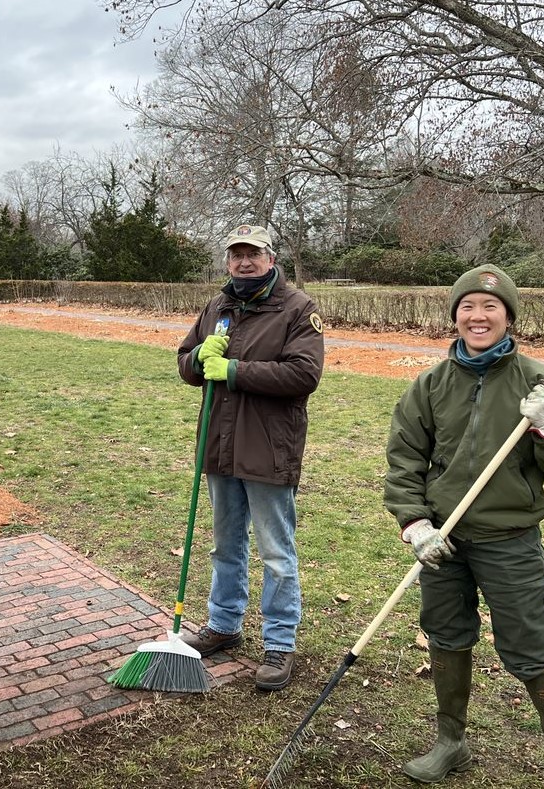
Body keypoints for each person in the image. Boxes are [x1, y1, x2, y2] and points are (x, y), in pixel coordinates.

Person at [384, 264, 544, 787]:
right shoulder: (431, 384)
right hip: (443, 540)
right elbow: (404, 460)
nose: (478, 317)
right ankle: (451, 742)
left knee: (532, 649)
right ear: (455, 316)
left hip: (510, 541)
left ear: (508, 317)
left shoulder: (539, 382)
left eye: (490, 308)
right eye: (468, 307)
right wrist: (416, 524)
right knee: (446, 636)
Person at [176, 223, 325, 691]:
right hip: (219, 445)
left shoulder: (297, 308)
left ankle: (279, 643)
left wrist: (234, 370)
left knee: (276, 552)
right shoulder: (217, 306)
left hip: (268, 449)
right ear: (227, 261)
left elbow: (304, 375)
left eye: (253, 254)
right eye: (236, 254)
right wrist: (199, 357)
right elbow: (186, 363)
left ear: (270, 259)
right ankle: (223, 625)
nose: (244, 262)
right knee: (225, 545)